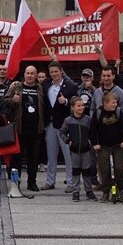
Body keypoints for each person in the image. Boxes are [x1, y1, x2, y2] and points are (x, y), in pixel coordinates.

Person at [6, 66, 45, 192]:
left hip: (36, 130)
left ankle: (31, 182)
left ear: (36, 75)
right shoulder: (16, 87)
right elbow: (5, 101)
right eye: (27, 73)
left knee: (34, 158)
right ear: (24, 74)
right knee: (16, 158)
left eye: (32, 73)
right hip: (20, 129)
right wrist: (13, 100)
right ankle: (15, 183)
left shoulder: (40, 88)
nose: (29, 75)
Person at [41, 61, 78, 192]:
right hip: (50, 124)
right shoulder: (45, 84)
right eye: (51, 72)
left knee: (68, 155)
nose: (54, 74)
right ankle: (50, 181)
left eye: (56, 71)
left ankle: (71, 182)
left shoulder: (70, 86)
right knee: (51, 155)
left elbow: (76, 103)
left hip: (65, 125)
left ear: (61, 71)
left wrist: (66, 102)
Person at [90, 91, 123, 202]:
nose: (115, 104)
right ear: (105, 103)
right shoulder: (98, 112)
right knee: (104, 169)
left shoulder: (118, 112)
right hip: (103, 146)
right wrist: (95, 143)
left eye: (116, 102)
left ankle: (121, 189)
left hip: (118, 145)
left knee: (118, 168)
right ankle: (106, 191)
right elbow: (93, 130)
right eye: (113, 102)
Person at [60, 97, 97, 202]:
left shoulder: (88, 120)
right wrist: (68, 141)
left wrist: (91, 141)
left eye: (82, 105)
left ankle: (89, 190)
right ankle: (76, 191)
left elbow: (93, 132)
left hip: (86, 149)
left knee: (87, 171)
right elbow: (62, 132)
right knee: (75, 171)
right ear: (72, 107)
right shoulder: (68, 120)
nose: (81, 108)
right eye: (79, 106)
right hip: (74, 149)